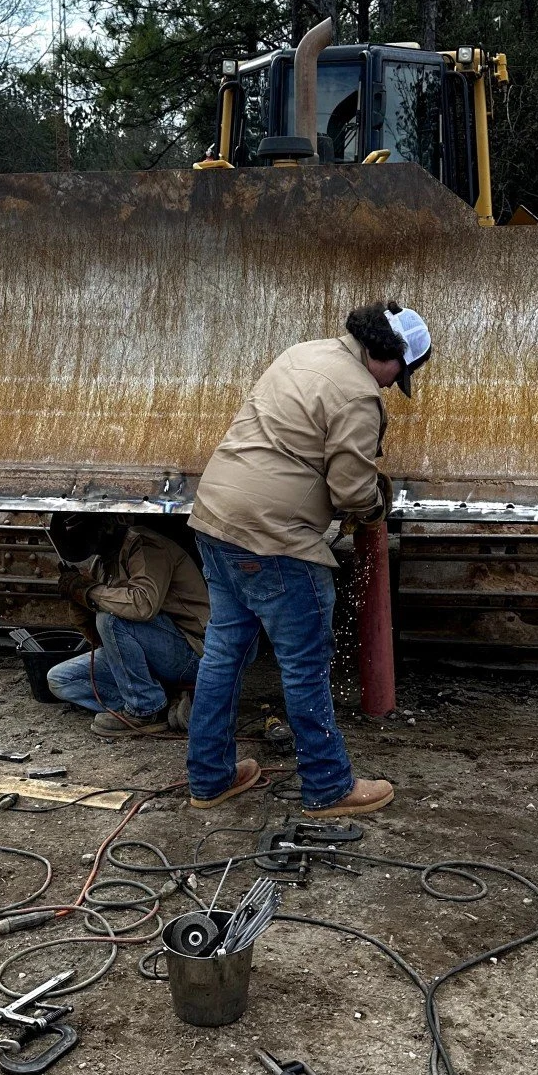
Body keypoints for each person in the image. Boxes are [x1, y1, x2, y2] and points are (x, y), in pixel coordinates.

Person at [186, 300, 432, 814]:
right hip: (275, 539)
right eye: (399, 374)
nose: (392, 385)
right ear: (389, 356)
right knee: (304, 668)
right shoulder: (360, 396)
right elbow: (350, 490)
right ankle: (328, 785)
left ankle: (209, 779)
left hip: (215, 516)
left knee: (223, 655)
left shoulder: (301, 353)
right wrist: (375, 505)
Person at [44, 516, 210, 737]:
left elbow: (142, 605)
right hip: (156, 657)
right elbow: (98, 638)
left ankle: (145, 710)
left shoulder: (147, 546)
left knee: (111, 618)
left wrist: (89, 592)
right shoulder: (102, 563)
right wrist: (77, 596)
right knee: (61, 679)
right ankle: (163, 703)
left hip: (194, 654)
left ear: (107, 525)